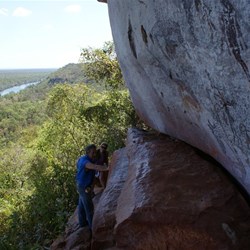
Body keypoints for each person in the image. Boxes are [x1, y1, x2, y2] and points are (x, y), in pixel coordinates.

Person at [76, 144, 109, 230]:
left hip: (83, 185)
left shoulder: (89, 159)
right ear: (87, 152)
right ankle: (93, 228)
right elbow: (94, 167)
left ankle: (82, 223)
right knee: (89, 207)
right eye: (93, 152)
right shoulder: (85, 161)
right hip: (83, 186)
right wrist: (107, 168)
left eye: (95, 151)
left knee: (82, 204)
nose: (95, 154)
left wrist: (92, 186)